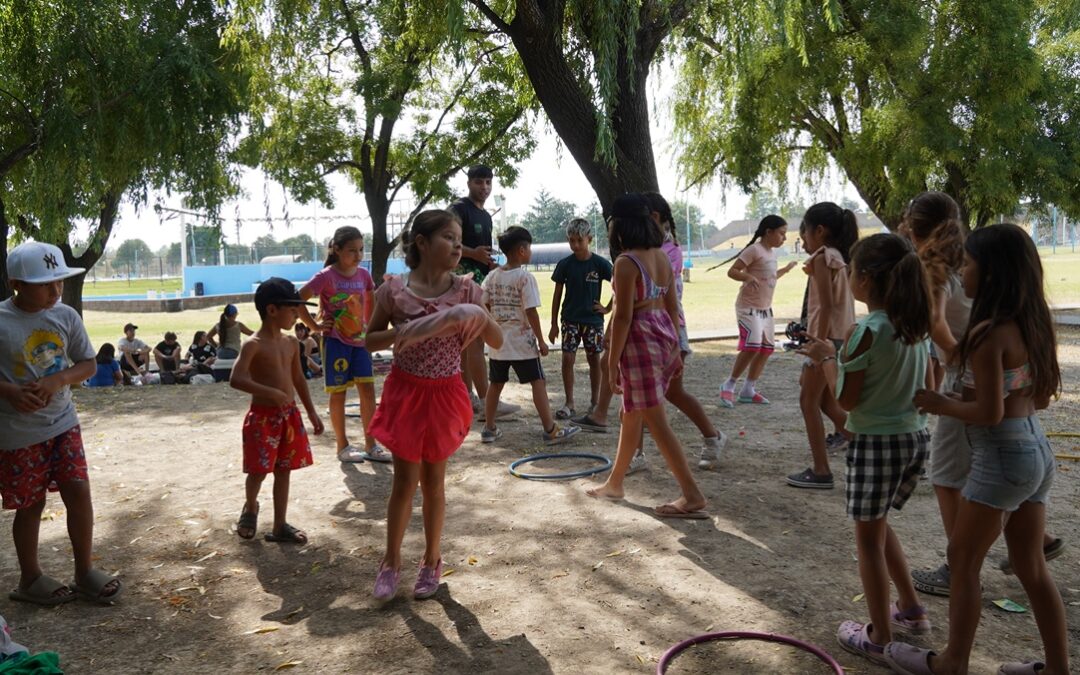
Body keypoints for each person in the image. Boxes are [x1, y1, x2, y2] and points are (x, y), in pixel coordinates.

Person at [885, 223, 1069, 675]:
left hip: (1003, 457)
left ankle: (953, 660)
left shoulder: (988, 333)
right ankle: (1058, 668)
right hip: (1036, 451)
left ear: (991, 273)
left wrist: (938, 402)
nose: (962, 271)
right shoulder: (1035, 324)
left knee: (962, 560)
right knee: (1030, 566)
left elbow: (988, 413)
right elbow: (1038, 398)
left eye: (968, 263)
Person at [901, 194, 1065, 597]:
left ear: (914, 227)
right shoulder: (978, 266)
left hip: (971, 382)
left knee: (946, 475)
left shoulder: (940, 269)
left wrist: (958, 358)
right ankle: (1029, 541)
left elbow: (937, 322)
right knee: (981, 472)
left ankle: (957, 565)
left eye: (907, 222)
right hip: (1016, 416)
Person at [800, 233, 933, 666]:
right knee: (877, 527)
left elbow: (846, 399)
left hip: (876, 445)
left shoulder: (866, 331)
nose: (849, 278)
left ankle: (878, 634)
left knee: (868, 542)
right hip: (912, 438)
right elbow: (927, 387)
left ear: (868, 280)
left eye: (853, 271)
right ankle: (910, 608)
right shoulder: (914, 325)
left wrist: (825, 358)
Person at [364, 209, 503, 602]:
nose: (458, 244)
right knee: (404, 482)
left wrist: (473, 313)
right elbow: (368, 341)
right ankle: (390, 562)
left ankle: (431, 561)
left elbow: (494, 341)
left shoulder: (466, 290)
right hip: (405, 395)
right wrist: (404, 331)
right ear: (422, 244)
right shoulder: (394, 290)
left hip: (444, 395)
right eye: (448, 236)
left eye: (459, 237)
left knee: (434, 484)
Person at [0, 241, 121, 605]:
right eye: (45, 284)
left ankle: (84, 571)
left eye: (59, 282)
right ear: (16, 283)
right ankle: (30, 578)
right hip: (19, 434)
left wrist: (58, 380)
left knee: (78, 491)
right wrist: (9, 392)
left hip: (63, 423)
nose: (55, 291)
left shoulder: (66, 315)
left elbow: (88, 363)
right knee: (31, 504)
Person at [584, 194, 708, 519]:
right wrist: (677, 346)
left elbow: (623, 318)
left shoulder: (626, 263)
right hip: (662, 334)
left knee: (655, 419)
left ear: (619, 227)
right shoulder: (662, 257)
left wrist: (610, 365)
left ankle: (692, 495)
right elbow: (672, 308)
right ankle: (615, 483)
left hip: (639, 340)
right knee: (632, 414)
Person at [230, 278, 324, 544]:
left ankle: (280, 524)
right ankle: (250, 506)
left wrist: (312, 413)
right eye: (292, 309)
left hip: (289, 417)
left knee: (284, 470)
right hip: (262, 417)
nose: (297, 314)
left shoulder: (291, 343)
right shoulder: (253, 344)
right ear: (272, 310)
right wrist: (271, 393)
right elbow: (236, 379)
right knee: (259, 470)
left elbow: (299, 379)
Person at [642, 192, 727, 470]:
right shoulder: (643, 250)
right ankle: (635, 455)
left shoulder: (669, 252)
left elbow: (660, 289)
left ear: (656, 218)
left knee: (673, 393)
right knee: (638, 395)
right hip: (647, 329)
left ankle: (713, 437)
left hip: (669, 329)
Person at [482, 226, 581, 445]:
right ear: (521, 250)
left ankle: (489, 429)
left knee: (495, 384)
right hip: (521, 343)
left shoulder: (492, 277)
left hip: (499, 343)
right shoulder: (525, 278)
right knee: (538, 381)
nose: (531, 252)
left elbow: (484, 303)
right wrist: (541, 340)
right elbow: (531, 311)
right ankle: (550, 429)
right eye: (529, 248)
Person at [298, 226, 389, 463]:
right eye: (352, 250)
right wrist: (316, 327)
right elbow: (298, 300)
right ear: (336, 250)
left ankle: (371, 444)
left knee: (368, 392)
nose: (358, 256)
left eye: (361, 250)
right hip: (336, 342)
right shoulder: (326, 276)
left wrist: (370, 325)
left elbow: (371, 296)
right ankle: (342, 445)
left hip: (360, 344)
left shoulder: (363, 275)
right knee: (338, 394)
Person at [786, 202, 858, 489]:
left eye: (804, 235)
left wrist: (815, 346)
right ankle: (864, 444)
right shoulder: (839, 256)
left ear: (819, 230)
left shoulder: (821, 257)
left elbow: (825, 306)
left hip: (827, 339)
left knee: (808, 402)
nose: (802, 241)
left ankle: (820, 470)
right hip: (840, 336)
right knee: (828, 402)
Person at [448, 165, 519, 419]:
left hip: (480, 280)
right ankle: (487, 400)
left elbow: (483, 253)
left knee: (469, 342)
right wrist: (472, 253)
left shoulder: (486, 217)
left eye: (489, 182)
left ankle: (468, 399)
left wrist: (491, 264)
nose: (485, 187)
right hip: (461, 281)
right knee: (476, 338)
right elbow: (449, 241)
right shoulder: (458, 209)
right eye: (480, 182)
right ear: (469, 183)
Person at [716, 214, 798, 407]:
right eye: (781, 233)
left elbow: (769, 277)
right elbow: (732, 271)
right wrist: (747, 278)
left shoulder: (771, 253)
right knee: (752, 345)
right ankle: (729, 385)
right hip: (748, 307)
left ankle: (748, 389)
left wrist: (785, 270)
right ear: (768, 232)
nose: (784, 238)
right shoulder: (754, 249)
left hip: (765, 309)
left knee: (766, 348)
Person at [547, 217, 612, 423]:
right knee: (567, 360)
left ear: (589, 239)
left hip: (593, 321)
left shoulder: (601, 264)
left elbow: (619, 285)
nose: (575, 245)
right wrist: (553, 324)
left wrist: (607, 308)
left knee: (595, 361)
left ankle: (594, 402)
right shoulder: (565, 264)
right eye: (571, 240)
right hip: (569, 320)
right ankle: (569, 403)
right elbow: (557, 295)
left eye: (579, 240)